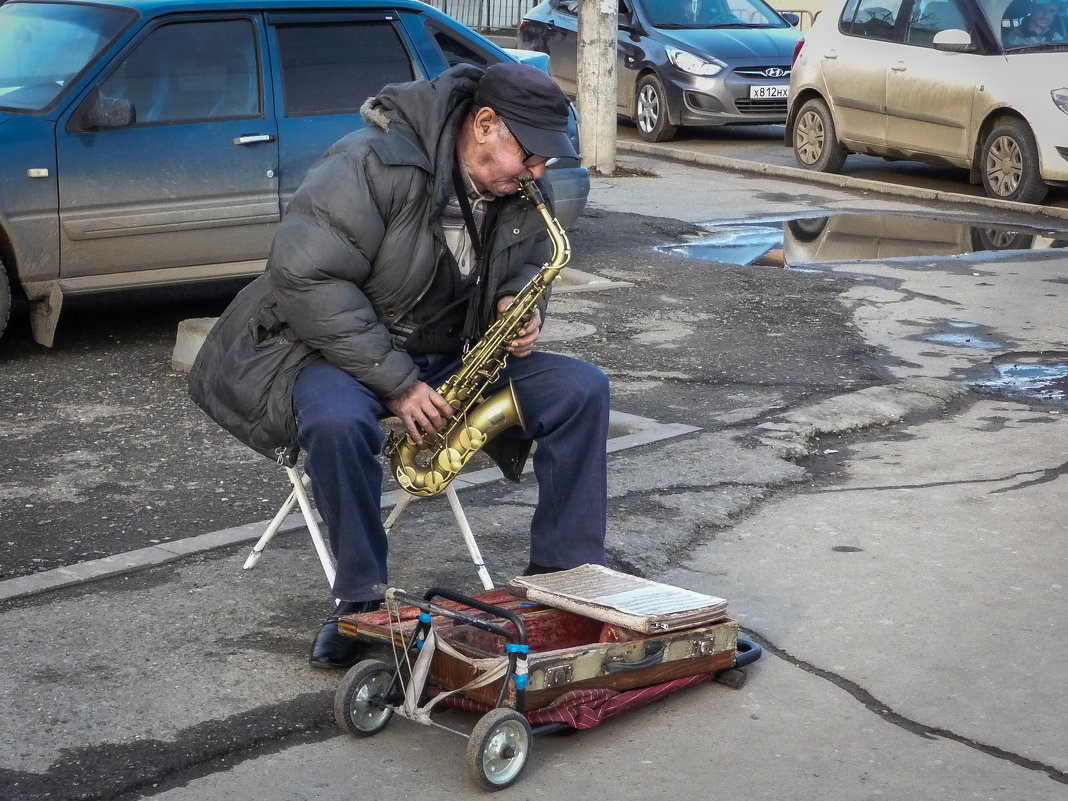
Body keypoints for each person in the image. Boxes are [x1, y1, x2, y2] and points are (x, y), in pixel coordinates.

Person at [191, 62, 610, 669]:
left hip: (449, 354)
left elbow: (529, 265)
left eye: (547, 161)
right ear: (485, 124)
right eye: (533, 155)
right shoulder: (370, 162)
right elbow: (307, 278)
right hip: (338, 351)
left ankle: (560, 579)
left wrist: (521, 304)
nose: (539, 174)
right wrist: (397, 383)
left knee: (582, 388)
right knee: (337, 424)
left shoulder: (517, 188)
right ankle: (360, 604)